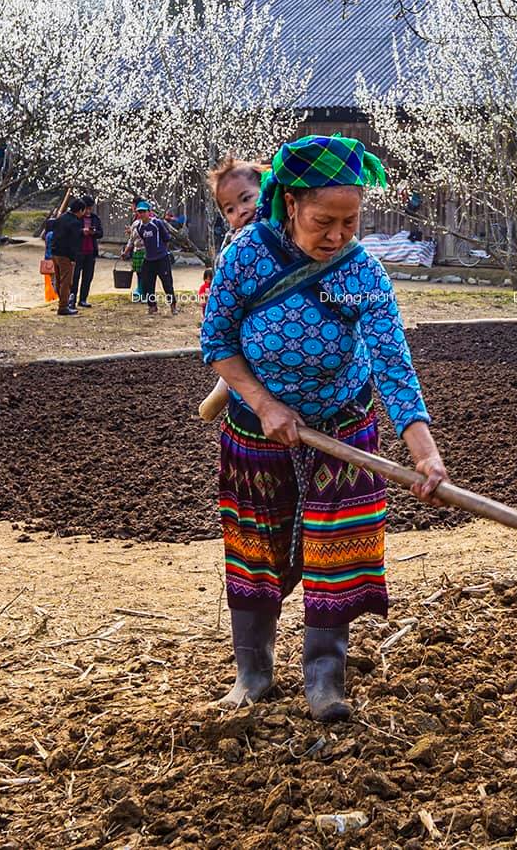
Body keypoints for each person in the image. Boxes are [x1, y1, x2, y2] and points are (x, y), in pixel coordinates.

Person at [200, 134, 447, 721]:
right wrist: (265, 406)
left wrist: (424, 453)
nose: (337, 235)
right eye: (323, 221)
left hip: (343, 426)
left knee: (338, 547)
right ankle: (253, 674)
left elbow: (392, 362)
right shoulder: (244, 257)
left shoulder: (363, 271)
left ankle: (324, 680)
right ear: (289, 204)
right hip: (256, 430)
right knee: (255, 546)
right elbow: (218, 343)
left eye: (350, 220)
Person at [196, 157, 264, 408]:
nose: (241, 211)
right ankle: (225, 384)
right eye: (230, 209)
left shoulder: (283, 224)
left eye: (247, 199)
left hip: (273, 297)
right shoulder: (234, 242)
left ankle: (225, 385)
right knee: (231, 336)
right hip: (243, 303)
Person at [125, 200, 182, 315]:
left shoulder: (157, 223)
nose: (141, 214)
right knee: (148, 284)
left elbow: (166, 238)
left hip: (161, 258)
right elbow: (141, 240)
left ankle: (173, 305)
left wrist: (162, 250)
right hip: (148, 258)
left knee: (167, 283)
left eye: (143, 212)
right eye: (139, 212)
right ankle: (152, 306)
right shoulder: (139, 227)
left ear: (149, 212)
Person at [42, 197, 83, 317]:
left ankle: (62, 303)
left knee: (59, 279)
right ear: (79, 210)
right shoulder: (74, 222)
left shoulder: (61, 218)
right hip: (66, 255)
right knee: (66, 281)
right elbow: (74, 242)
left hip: (55, 253)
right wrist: (73, 259)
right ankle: (63, 306)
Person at [68, 195, 104, 309]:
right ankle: (71, 300)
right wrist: (82, 232)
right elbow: (72, 233)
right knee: (75, 277)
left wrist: (94, 233)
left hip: (91, 250)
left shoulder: (95, 218)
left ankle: (83, 299)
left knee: (87, 277)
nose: (88, 211)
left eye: (90, 208)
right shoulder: (76, 218)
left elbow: (100, 233)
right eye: (86, 208)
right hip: (78, 251)